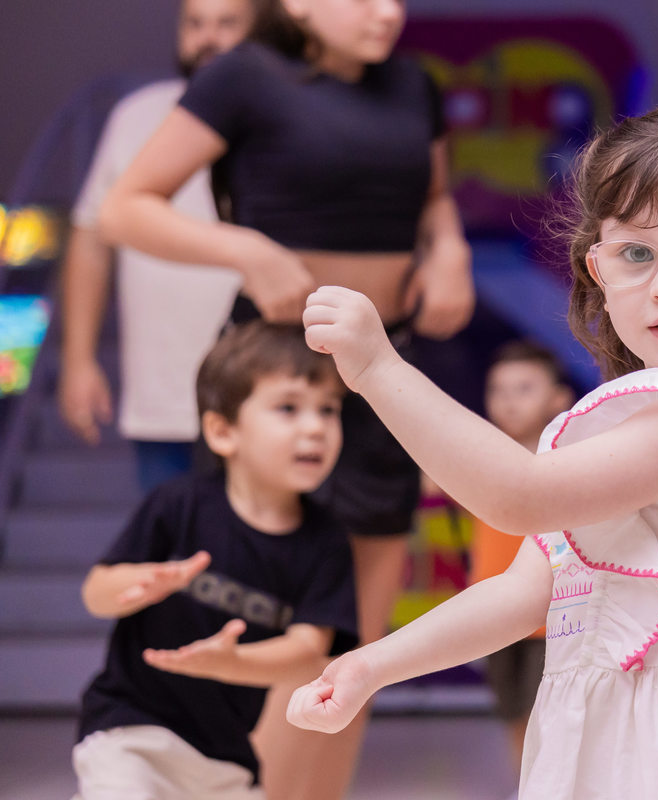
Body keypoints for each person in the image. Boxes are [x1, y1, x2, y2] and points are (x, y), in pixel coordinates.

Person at [288, 102, 658, 798]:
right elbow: (522, 592)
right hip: (610, 747)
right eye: (636, 254)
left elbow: (518, 498)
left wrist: (379, 371)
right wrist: (372, 665)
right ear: (597, 268)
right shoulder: (627, 426)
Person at [97, 0, 473, 794]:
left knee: (352, 647)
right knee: (259, 611)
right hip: (273, 368)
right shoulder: (243, 77)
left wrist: (450, 252)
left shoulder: (413, 85)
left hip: (381, 374)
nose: (388, 12)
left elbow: (434, 199)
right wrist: (244, 248)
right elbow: (125, 208)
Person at [72, 320, 358, 800]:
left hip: (226, 756)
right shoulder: (177, 504)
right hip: (130, 729)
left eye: (328, 410)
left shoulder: (325, 542)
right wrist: (139, 583)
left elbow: (309, 651)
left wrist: (232, 662)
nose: (316, 427)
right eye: (289, 408)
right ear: (223, 432)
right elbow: (96, 591)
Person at [57, 0, 252, 492]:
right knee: (169, 560)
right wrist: (78, 360)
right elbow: (92, 238)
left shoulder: (289, 115)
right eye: (195, 23)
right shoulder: (136, 114)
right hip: (162, 393)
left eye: (228, 23)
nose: (208, 37)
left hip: (265, 389)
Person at [470, 340, 572, 781]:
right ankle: (526, 785)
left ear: (558, 399)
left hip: (552, 618)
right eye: (500, 389)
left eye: (524, 388)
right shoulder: (477, 460)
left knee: (549, 716)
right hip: (493, 614)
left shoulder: (569, 461)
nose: (509, 401)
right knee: (513, 712)